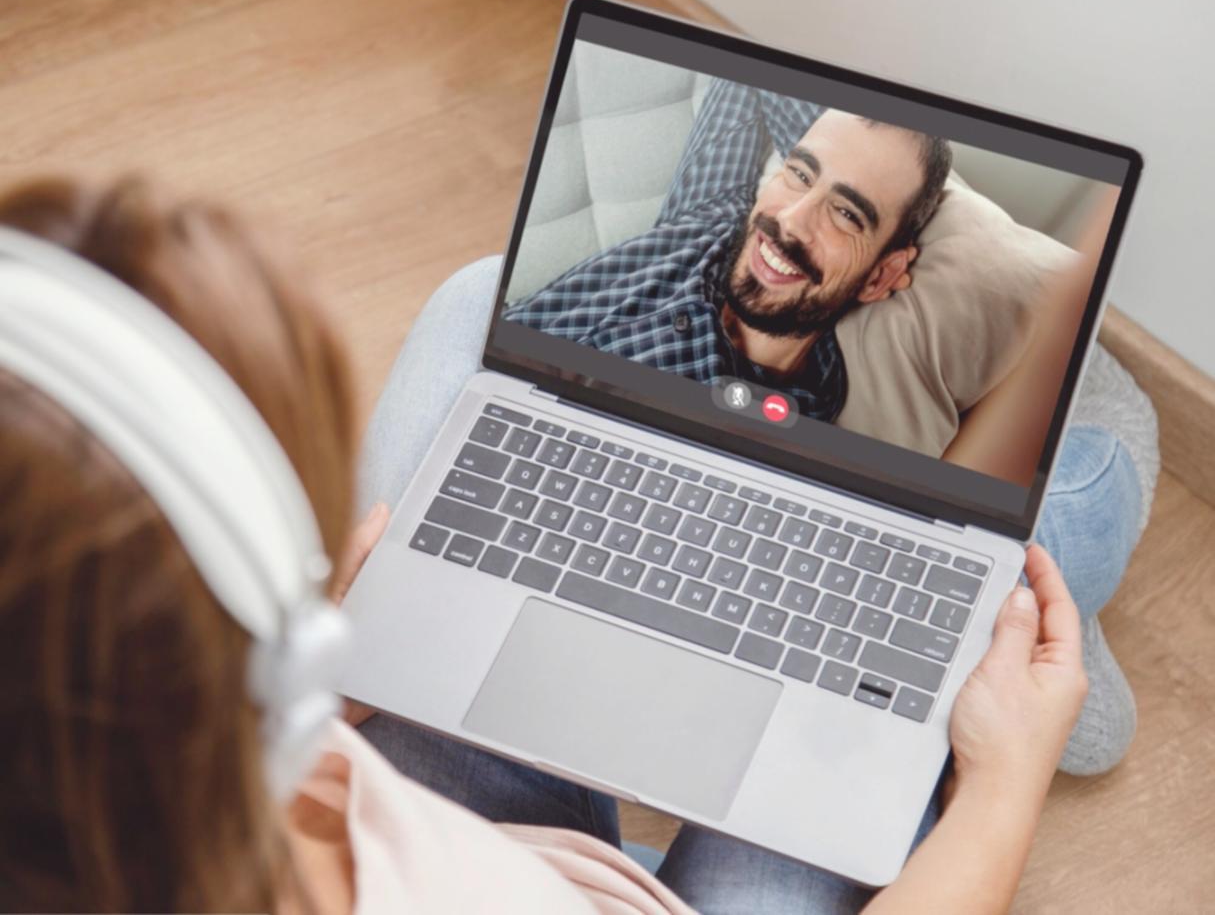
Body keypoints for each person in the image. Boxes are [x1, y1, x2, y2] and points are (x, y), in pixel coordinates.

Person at [0, 176, 1146, 913]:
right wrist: (1005, 780)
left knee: (479, 300)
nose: (790, 218)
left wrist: (313, 713)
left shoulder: (91, 812)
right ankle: (1055, 658)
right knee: (1070, 484)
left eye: (834, 202)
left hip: (352, 823)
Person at [503, 79, 952, 424]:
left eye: (847, 214)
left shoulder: (777, 425)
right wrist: (855, 143)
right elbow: (755, 79)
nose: (791, 220)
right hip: (486, 362)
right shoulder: (714, 218)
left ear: (880, 276)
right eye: (799, 173)